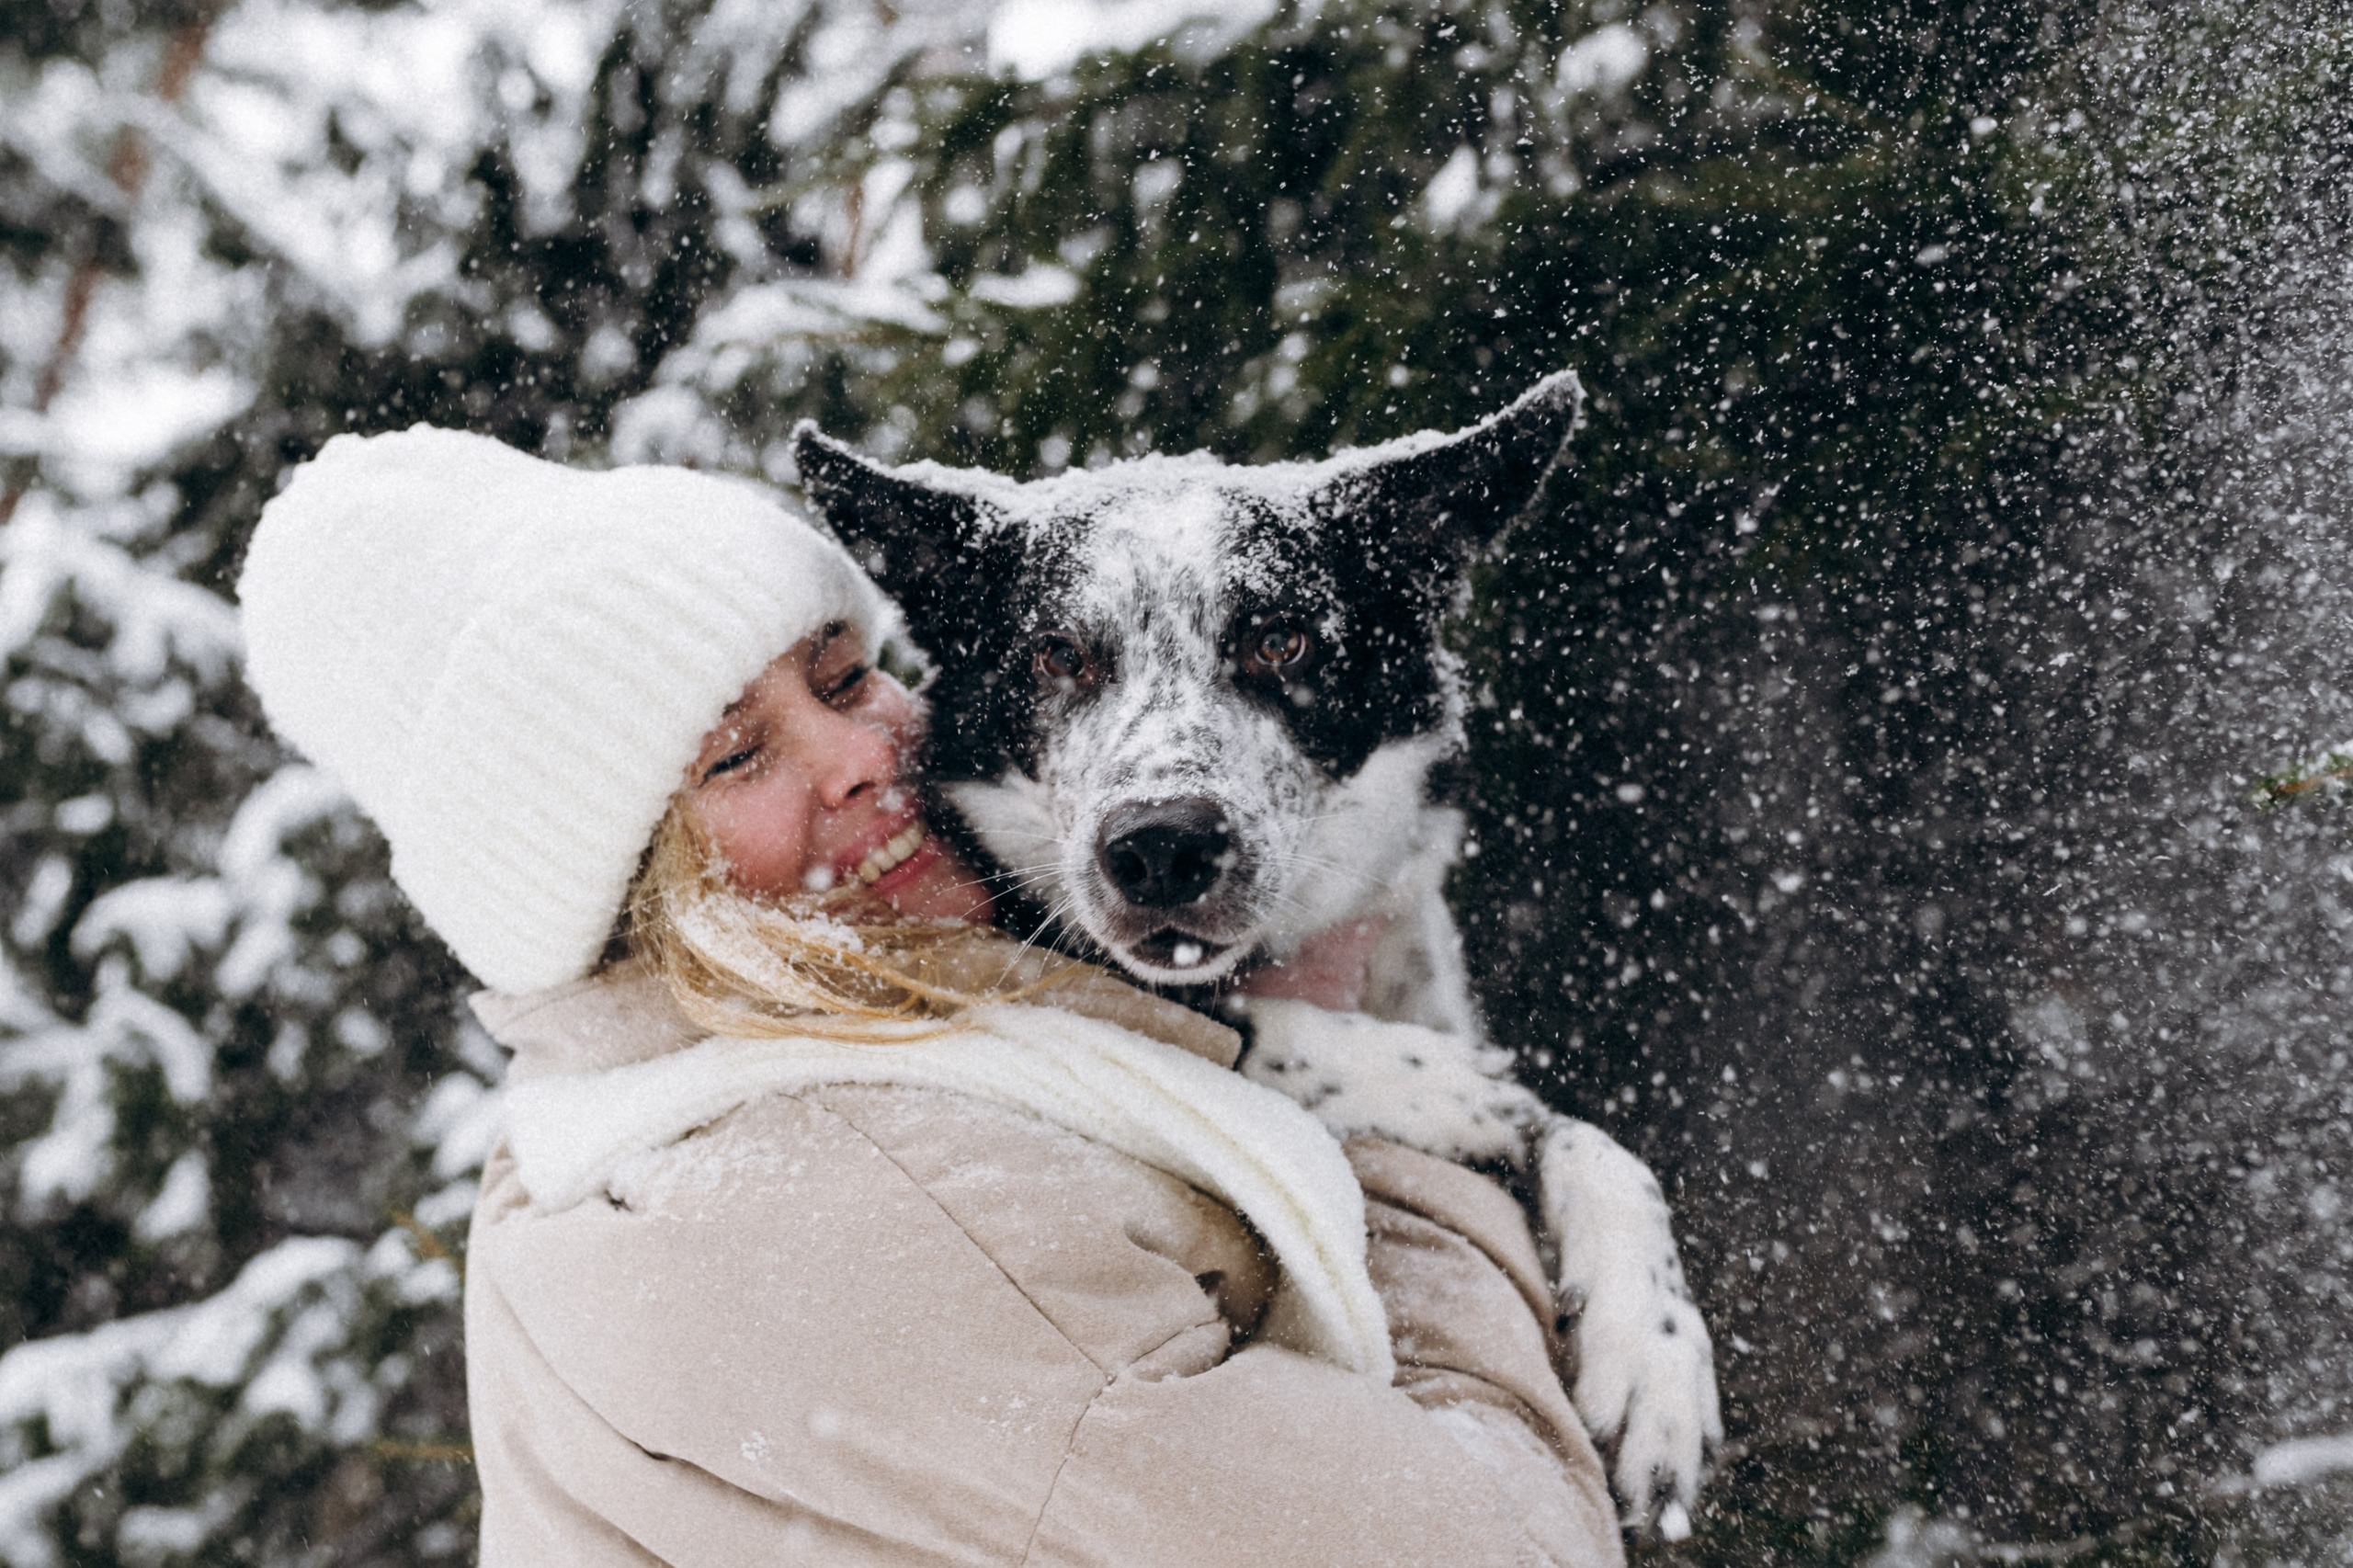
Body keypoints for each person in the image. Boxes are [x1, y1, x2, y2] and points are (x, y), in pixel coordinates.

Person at [238, 426, 1626, 1567]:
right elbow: (1501, 1543)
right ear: (617, 878)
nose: (858, 754)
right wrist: (1396, 1137)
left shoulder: (713, 1093)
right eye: (737, 760)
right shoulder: (854, 1195)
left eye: (847, 678)